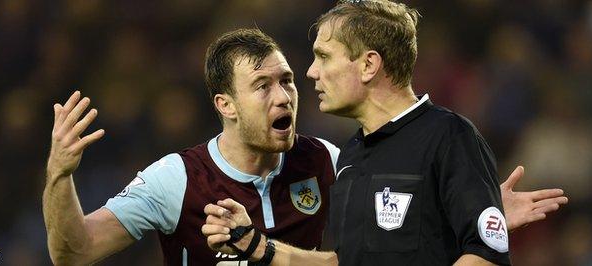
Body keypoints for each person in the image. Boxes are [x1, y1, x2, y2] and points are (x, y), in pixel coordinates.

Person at [43, 29, 565, 265]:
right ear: (225, 104)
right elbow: (73, 251)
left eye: (288, 80)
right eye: (263, 86)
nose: (284, 94)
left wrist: (474, 216)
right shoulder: (176, 179)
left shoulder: (330, 161)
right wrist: (59, 177)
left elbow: (388, 249)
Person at [201, 1, 568, 266]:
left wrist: (481, 218)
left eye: (324, 56)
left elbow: (485, 255)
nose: (311, 72)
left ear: (368, 65)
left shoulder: (448, 136)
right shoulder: (351, 156)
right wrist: (254, 244)